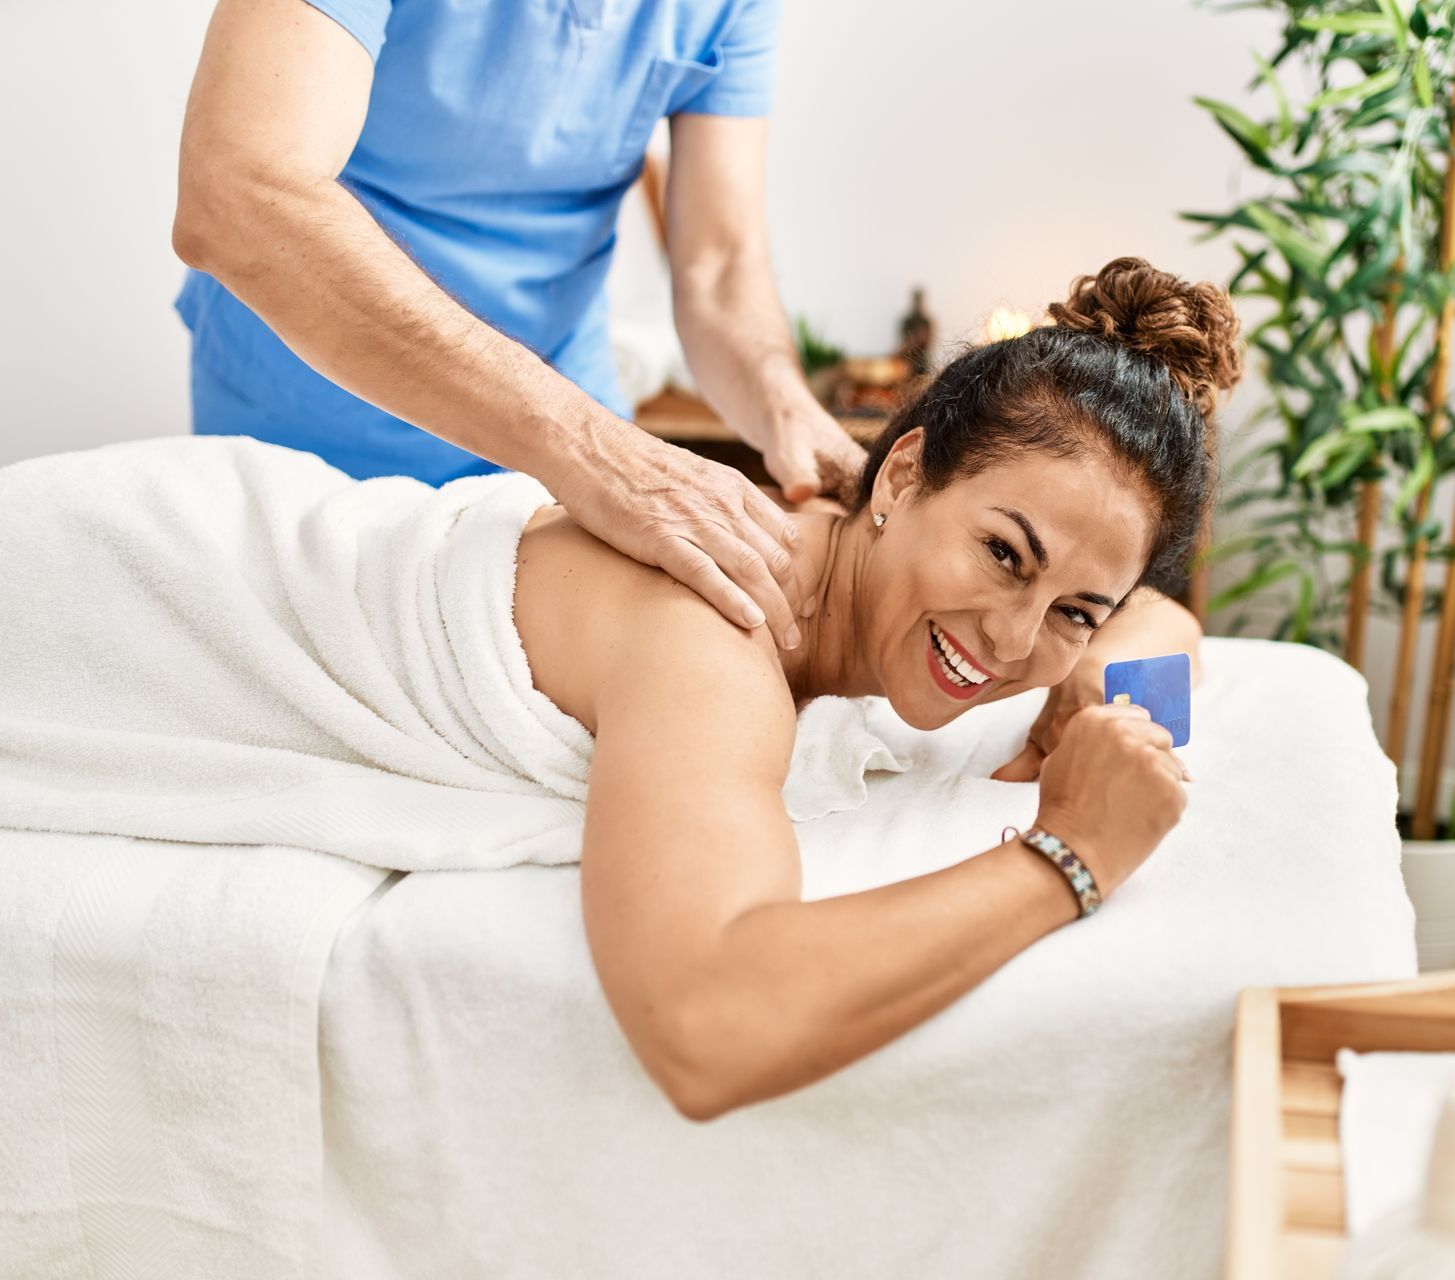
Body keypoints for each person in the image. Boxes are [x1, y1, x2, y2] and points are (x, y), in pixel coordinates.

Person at [2, 257, 1242, 1119]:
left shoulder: (879, 582)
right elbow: (703, 1025)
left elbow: (1163, 616)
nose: (1015, 635)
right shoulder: (715, 632)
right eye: (1003, 554)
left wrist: (1113, 699)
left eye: (1070, 609)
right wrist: (1068, 857)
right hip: (123, 600)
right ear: (904, 472)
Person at [170, 0, 859, 657]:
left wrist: (785, 408)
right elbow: (240, 194)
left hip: (556, 446)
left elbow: (718, 267)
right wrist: (593, 452)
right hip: (316, 425)